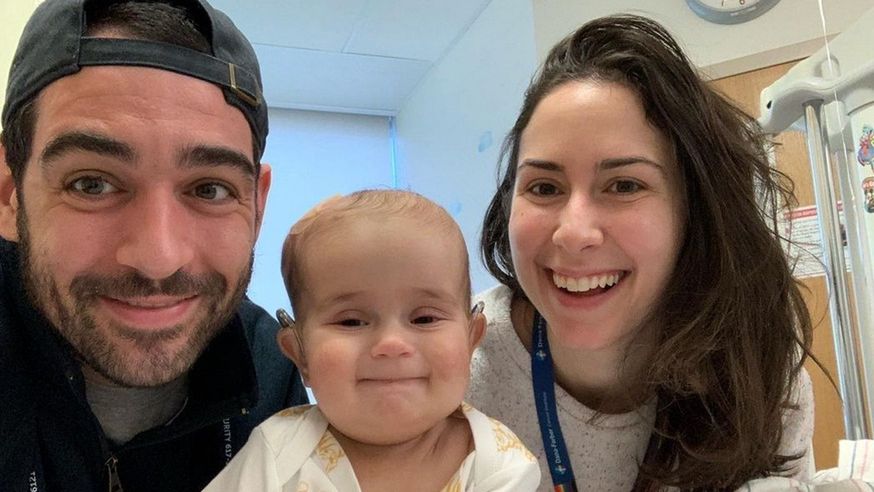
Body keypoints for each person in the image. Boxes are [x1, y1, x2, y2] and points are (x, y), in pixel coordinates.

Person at [469, 14, 816, 492]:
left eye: (624, 185)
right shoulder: (451, 368)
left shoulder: (754, 366)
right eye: (544, 187)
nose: (573, 233)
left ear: (694, 211)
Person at [0, 1, 307, 490]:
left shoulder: (273, 370)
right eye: (92, 184)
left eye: (210, 189)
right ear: (9, 194)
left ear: (256, 207)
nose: (158, 259)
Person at [205, 190, 541, 492]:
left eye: (424, 318)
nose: (391, 343)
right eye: (351, 321)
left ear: (471, 340)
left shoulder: (499, 464)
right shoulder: (277, 452)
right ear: (300, 354)